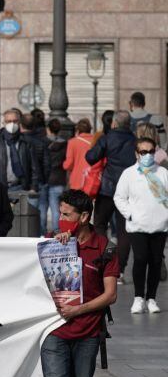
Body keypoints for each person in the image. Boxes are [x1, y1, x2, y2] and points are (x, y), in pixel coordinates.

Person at [41, 190, 119, 377]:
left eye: (66, 214)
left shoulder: (104, 247)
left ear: (84, 216)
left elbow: (111, 295)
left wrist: (78, 310)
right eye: (60, 213)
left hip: (88, 333)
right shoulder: (51, 241)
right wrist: (55, 248)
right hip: (55, 331)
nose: (60, 219)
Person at [112, 136, 168, 314]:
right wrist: (130, 214)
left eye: (151, 151)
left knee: (156, 261)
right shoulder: (129, 173)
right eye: (143, 152)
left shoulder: (163, 173)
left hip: (160, 225)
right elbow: (119, 197)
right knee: (141, 259)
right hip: (137, 225)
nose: (148, 155)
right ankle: (138, 298)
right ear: (137, 154)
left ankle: (151, 298)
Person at [85, 110, 137, 274]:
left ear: (114, 123)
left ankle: (105, 259)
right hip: (128, 189)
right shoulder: (135, 141)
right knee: (124, 229)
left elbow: (91, 157)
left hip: (107, 189)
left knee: (100, 224)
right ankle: (120, 268)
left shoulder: (107, 139)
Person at [0, 109, 34, 197]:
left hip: (20, 187)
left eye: (15, 121)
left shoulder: (26, 141)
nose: (12, 124)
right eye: (9, 121)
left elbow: (34, 166)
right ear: (4, 123)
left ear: (19, 123)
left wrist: (33, 187)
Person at [42, 118, 69, 236]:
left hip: (44, 178)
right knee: (56, 210)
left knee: (42, 209)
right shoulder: (65, 144)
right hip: (58, 178)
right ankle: (56, 233)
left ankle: (42, 234)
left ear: (48, 129)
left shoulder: (42, 142)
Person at [63, 119, 96, 191]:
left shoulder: (72, 142)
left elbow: (69, 164)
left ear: (77, 130)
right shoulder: (96, 141)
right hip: (93, 179)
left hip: (77, 180)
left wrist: (64, 165)